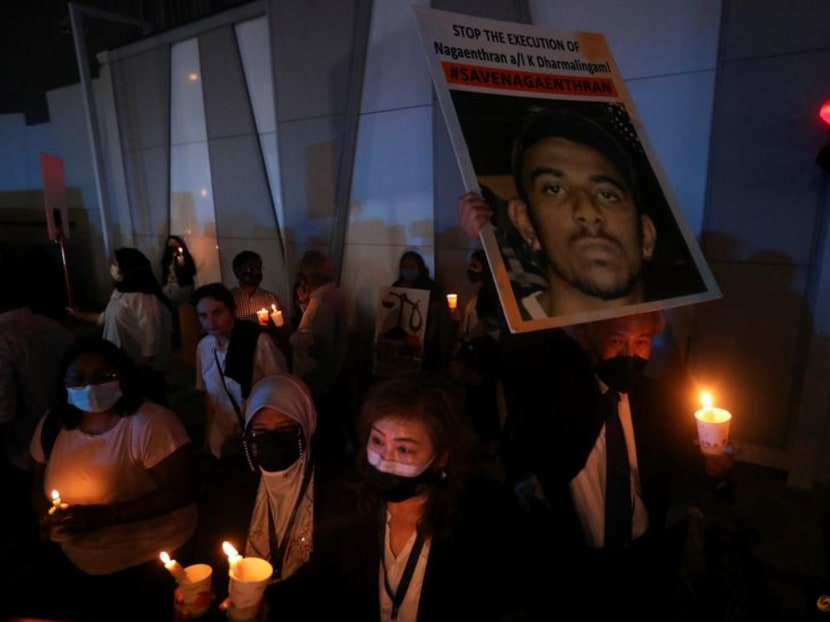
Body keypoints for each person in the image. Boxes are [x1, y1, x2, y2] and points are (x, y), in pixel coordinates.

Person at [498, 311, 764, 617]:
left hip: (643, 554)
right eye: (616, 339)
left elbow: (690, 466)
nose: (629, 354)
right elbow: (518, 452)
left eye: (642, 341)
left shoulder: (660, 400)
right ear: (586, 338)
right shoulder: (554, 399)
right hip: (573, 561)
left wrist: (717, 471)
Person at [264, 372, 532, 621]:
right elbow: (319, 582)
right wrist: (263, 603)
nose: (382, 461)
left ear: (442, 457)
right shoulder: (348, 504)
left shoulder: (485, 525)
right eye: (378, 441)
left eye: (404, 450)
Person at [24, 337, 197, 622]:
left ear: (124, 378)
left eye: (104, 376)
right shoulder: (53, 424)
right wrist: (46, 517)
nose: (90, 387)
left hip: (146, 565)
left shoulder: (151, 423)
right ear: (63, 383)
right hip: (77, 564)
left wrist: (111, 515)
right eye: (77, 378)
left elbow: (182, 490)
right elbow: (37, 483)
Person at [458, 108, 658, 320]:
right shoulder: (516, 321)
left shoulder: (667, 327)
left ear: (647, 234)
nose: (588, 212)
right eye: (555, 190)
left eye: (607, 194)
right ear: (525, 223)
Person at [192, 282, 289, 461]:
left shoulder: (259, 343)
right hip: (222, 438)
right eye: (203, 316)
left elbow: (281, 391)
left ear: (233, 311)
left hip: (259, 438)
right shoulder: (204, 348)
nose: (210, 321)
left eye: (217, 312)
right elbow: (209, 396)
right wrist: (207, 434)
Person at [70, 247, 175, 405]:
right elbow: (105, 318)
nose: (112, 267)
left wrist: (139, 366)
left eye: (115, 263)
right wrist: (80, 315)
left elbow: (151, 338)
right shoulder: (120, 292)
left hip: (138, 369)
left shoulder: (145, 300)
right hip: (119, 363)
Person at [289, 250, 349, 463]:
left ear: (308, 277)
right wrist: (305, 305)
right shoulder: (334, 294)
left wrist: (289, 336)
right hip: (328, 377)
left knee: (322, 430)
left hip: (318, 379)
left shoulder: (323, 302)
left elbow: (318, 345)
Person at [391, 250, 450, 371]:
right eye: (405, 267)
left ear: (420, 268)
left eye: (412, 267)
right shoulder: (396, 286)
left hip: (423, 336)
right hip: (400, 338)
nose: (408, 270)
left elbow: (435, 316)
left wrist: (429, 340)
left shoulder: (430, 286)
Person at [230, 250, 285, 324]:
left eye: (259, 268)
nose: (257, 272)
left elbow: (284, 327)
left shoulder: (271, 298)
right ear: (237, 272)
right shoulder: (229, 298)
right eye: (251, 269)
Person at [160, 235, 198, 307]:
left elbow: (192, 272)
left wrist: (183, 265)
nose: (172, 245)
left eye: (175, 243)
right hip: (168, 289)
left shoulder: (186, 256)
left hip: (182, 288)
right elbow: (164, 274)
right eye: (170, 243)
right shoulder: (167, 259)